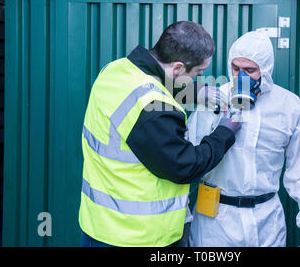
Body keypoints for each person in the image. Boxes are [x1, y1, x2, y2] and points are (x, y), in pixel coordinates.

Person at [78, 21, 241, 247]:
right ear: (177, 68)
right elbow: (185, 165)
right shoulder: (154, 110)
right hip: (136, 236)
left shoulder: (115, 70)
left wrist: (194, 92)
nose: (197, 77)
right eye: (197, 73)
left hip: (97, 226)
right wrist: (224, 132)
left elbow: (147, 84)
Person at [187, 30, 300, 247]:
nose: (242, 76)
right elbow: (187, 159)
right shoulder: (214, 100)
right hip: (215, 221)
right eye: (236, 68)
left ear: (265, 71)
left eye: (250, 70)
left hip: (266, 220)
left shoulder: (289, 107)